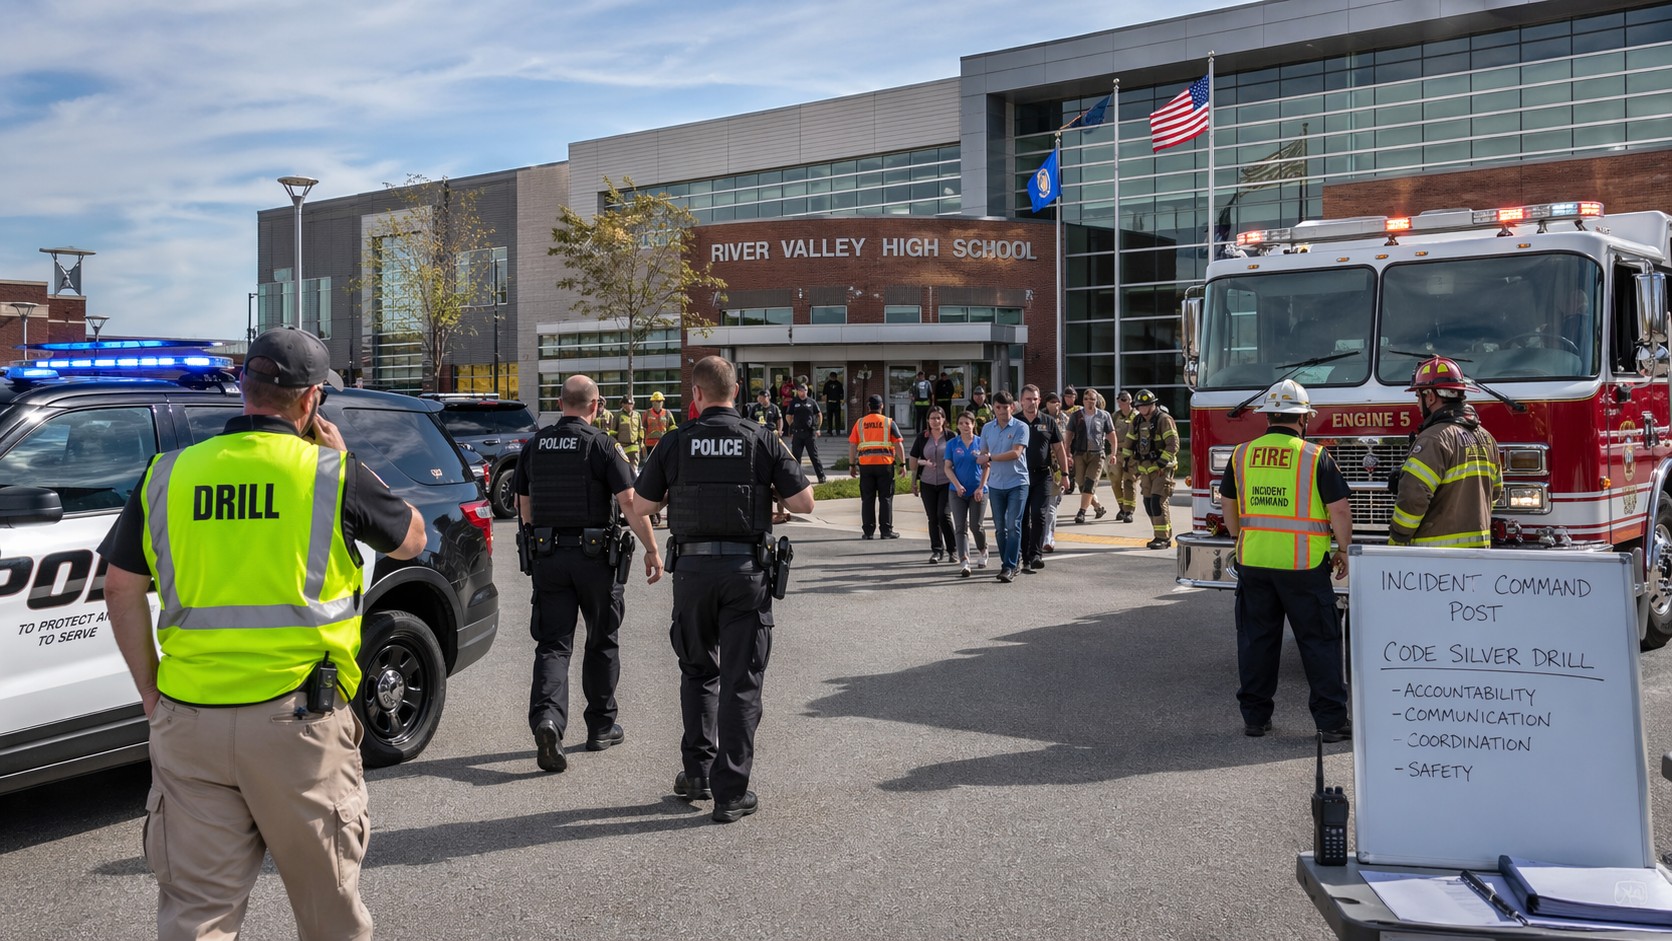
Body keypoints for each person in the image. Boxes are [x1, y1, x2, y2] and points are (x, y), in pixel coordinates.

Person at [99, 327, 427, 940]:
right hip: (300, 723)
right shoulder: (329, 472)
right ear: (311, 402)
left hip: (189, 721)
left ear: (243, 392)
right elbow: (413, 539)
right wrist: (344, 454)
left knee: (198, 918)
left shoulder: (169, 474)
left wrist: (151, 694)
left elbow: (119, 588)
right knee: (329, 913)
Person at [632, 355, 814, 823]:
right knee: (741, 681)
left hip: (692, 574)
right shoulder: (761, 438)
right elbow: (804, 501)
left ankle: (696, 773)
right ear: (737, 392)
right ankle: (730, 793)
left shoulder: (674, 441)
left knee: (697, 673)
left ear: (696, 395)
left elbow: (644, 503)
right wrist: (771, 498)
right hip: (745, 574)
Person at [516, 375, 663, 771]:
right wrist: (651, 548)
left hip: (548, 557)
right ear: (596, 406)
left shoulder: (535, 445)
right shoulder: (602, 445)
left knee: (553, 644)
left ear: (560, 403)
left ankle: (548, 720)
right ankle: (601, 727)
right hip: (596, 559)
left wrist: (535, 539)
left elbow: (523, 501)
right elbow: (630, 502)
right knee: (601, 640)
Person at [1221, 379, 1354, 742]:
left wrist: (1240, 537)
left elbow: (1228, 507)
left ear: (1268, 417)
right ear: (1304, 419)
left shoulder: (1241, 454)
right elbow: (1339, 510)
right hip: (1304, 567)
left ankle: (1255, 719)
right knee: (1319, 642)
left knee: (1256, 641)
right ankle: (1329, 722)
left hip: (1254, 563)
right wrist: (1343, 549)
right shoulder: (1314, 456)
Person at [1389, 356, 1503, 548]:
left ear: (1431, 397)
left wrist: (1398, 538)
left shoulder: (1433, 439)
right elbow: (1495, 492)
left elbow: (1413, 498)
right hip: (1479, 554)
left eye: (1419, 396)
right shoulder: (1487, 438)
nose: (1418, 404)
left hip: (1435, 559)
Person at [977, 390, 1029, 582]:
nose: (1001, 411)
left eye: (1005, 407)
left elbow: (1016, 453)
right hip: (996, 484)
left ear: (1012, 407)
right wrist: (980, 459)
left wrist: (989, 457)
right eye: (998, 407)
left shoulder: (1021, 427)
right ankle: (1011, 560)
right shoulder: (987, 428)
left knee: (1013, 525)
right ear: (994, 409)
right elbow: (983, 453)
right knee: (1000, 528)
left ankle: (1009, 566)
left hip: (1018, 482)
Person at [1016, 385, 1069, 572]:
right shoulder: (1015, 421)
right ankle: (1023, 556)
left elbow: (1059, 449)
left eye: (1035, 399)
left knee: (1039, 515)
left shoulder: (1048, 421)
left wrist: (1065, 474)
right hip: (1020, 477)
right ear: (1021, 401)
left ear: (1039, 400)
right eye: (1028, 399)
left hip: (1043, 475)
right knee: (1022, 519)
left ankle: (1035, 554)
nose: (1032, 402)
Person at [1122, 389, 1179, 549]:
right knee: (1148, 503)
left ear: (1153, 405)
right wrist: (1126, 461)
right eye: (1140, 406)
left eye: (1145, 405)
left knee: (1157, 501)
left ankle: (1164, 538)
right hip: (1145, 468)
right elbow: (1130, 441)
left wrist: (1161, 463)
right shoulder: (1137, 421)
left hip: (1162, 468)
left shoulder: (1164, 420)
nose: (1142, 409)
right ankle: (1159, 534)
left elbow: (1173, 444)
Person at [849, 393, 906, 539]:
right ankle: (886, 531)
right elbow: (898, 443)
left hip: (866, 466)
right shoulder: (888, 422)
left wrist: (852, 464)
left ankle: (868, 532)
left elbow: (853, 445)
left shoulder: (860, 423)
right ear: (882, 406)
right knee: (885, 498)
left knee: (867, 498)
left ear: (868, 406)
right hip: (885, 465)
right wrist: (903, 463)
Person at [945, 411, 990, 576]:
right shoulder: (952, 444)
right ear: (957, 425)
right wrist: (957, 485)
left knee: (975, 526)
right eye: (961, 423)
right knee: (960, 527)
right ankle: (964, 561)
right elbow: (947, 467)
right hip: (957, 491)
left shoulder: (981, 443)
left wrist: (981, 487)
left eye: (968, 423)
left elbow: (987, 467)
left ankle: (983, 549)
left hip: (978, 491)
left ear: (973, 425)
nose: (965, 426)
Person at [909, 407, 957, 563]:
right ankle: (937, 550)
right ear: (928, 420)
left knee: (943, 515)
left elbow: (958, 457)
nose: (935, 421)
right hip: (927, 482)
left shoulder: (951, 436)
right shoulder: (923, 437)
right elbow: (914, 458)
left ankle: (953, 550)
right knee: (932, 518)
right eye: (932, 418)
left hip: (947, 482)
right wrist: (913, 481)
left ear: (944, 419)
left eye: (938, 418)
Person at [1069, 389, 1115, 524]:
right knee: (1081, 485)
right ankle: (1098, 507)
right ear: (1083, 400)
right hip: (1079, 453)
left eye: (1093, 399)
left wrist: (1113, 452)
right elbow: (1069, 435)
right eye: (1087, 399)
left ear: (1097, 401)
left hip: (1097, 454)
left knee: (1089, 483)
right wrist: (1067, 453)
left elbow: (1112, 436)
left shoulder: (1104, 416)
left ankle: (1081, 512)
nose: (1090, 402)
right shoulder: (1076, 416)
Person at [747, 389, 792, 524]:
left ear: (768, 397)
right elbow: (749, 420)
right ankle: (769, 512)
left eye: (764, 396)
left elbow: (779, 419)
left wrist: (779, 431)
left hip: (772, 437)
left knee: (777, 486)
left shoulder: (774, 408)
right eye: (760, 396)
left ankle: (780, 513)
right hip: (759, 437)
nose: (762, 398)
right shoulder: (755, 408)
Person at [1040, 391, 1072, 553]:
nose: (1055, 404)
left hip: (1058, 467)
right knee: (1046, 507)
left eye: (1057, 401)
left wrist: (1069, 457)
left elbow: (1069, 440)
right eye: (1052, 402)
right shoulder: (1041, 419)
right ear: (1046, 404)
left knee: (1052, 504)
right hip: (1042, 467)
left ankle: (1048, 536)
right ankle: (1045, 536)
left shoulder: (1066, 419)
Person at [643, 391, 679, 525]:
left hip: (665, 446)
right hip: (650, 447)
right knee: (653, 478)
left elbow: (673, 428)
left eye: (660, 401)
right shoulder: (647, 413)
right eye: (655, 401)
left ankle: (664, 514)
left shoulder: (668, 413)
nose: (658, 403)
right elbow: (642, 429)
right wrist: (641, 445)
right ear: (652, 402)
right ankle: (653, 515)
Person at [783, 382, 827, 484]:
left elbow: (819, 415)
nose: (801, 392)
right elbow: (788, 415)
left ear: (807, 391)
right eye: (800, 391)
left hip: (809, 433)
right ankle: (796, 478)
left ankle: (821, 476)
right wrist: (792, 425)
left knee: (814, 456)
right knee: (796, 457)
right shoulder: (794, 402)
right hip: (798, 433)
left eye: (804, 390)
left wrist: (817, 428)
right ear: (797, 391)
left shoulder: (812, 402)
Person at [1107, 390, 1138, 523]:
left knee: (1129, 482)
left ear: (1130, 401)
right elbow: (1109, 434)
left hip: (1131, 455)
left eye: (1125, 399)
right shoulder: (1115, 416)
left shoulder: (1137, 416)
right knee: (1115, 481)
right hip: (1117, 453)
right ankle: (1122, 507)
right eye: (1120, 400)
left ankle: (1129, 511)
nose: (1122, 402)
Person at [611, 394, 644, 474]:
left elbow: (640, 429)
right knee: (623, 468)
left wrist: (641, 442)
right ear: (623, 404)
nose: (630, 405)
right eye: (628, 403)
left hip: (634, 446)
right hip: (622, 446)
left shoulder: (637, 415)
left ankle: (635, 484)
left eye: (632, 403)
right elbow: (613, 431)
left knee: (634, 469)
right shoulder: (618, 415)